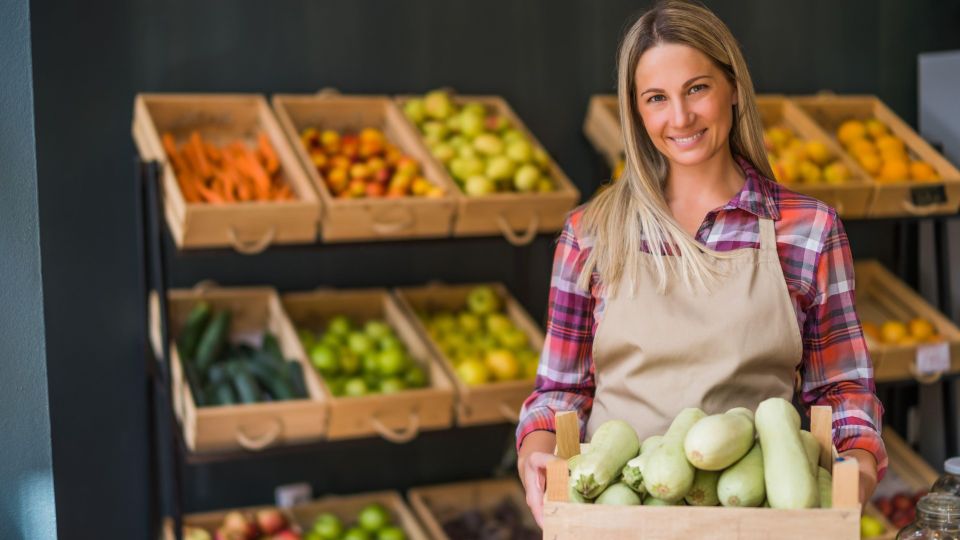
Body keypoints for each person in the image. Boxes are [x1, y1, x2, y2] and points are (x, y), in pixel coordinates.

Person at [517, 0, 885, 525]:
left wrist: (855, 474)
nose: (680, 117)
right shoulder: (591, 234)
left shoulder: (806, 230)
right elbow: (560, 391)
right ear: (637, 112)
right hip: (616, 518)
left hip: (757, 520)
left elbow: (844, 389)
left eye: (697, 88)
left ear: (733, 88)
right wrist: (537, 454)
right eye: (656, 98)